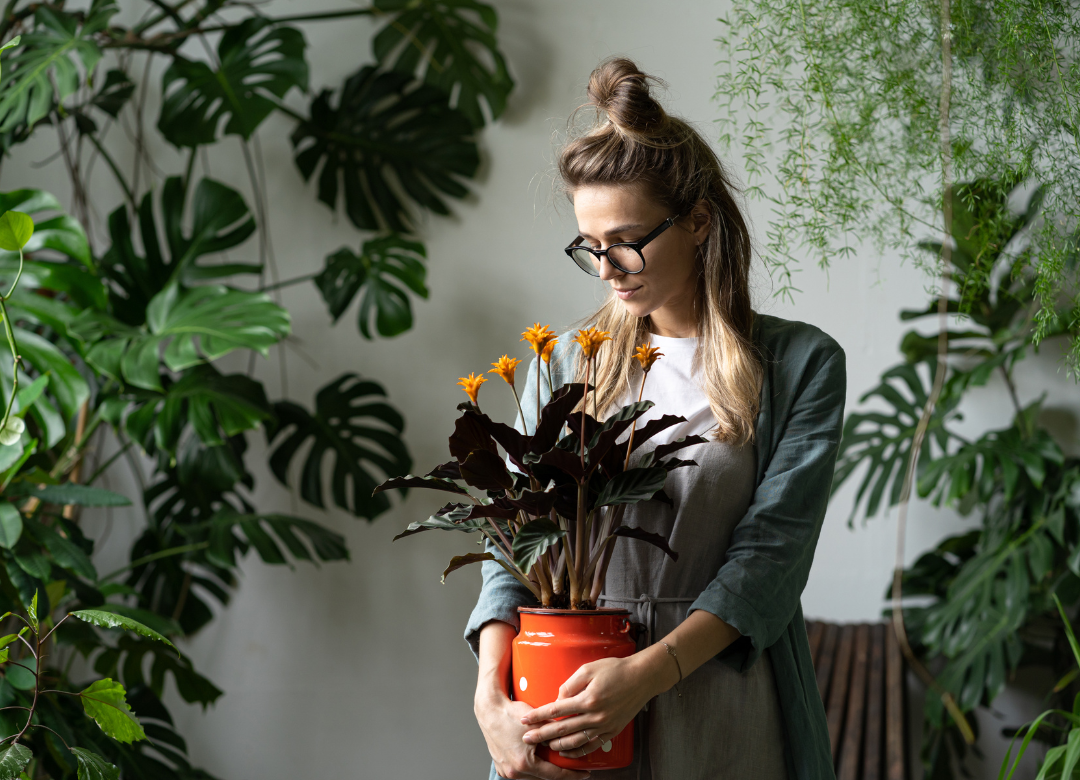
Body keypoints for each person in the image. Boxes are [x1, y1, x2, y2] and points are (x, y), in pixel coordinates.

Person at [466, 57, 846, 780]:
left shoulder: (800, 365)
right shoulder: (563, 362)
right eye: (590, 247)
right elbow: (510, 543)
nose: (607, 269)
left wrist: (644, 677)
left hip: (719, 706)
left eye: (626, 241)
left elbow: (769, 561)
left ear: (698, 221)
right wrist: (490, 698)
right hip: (565, 707)